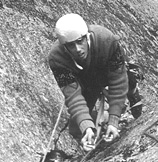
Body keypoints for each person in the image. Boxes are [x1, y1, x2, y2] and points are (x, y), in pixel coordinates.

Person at [48, 13, 142, 151]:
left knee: (127, 78)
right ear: (64, 46)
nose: (78, 49)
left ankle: (132, 91)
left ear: (87, 36)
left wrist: (114, 120)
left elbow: (118, 80)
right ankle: (92, 135)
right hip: (86, 79)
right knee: (76, 128)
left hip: (107, 68)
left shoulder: (106, 39)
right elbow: (73, 96)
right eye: (71, 45)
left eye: (80, 41)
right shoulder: (57, 58)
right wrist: (86, 127)